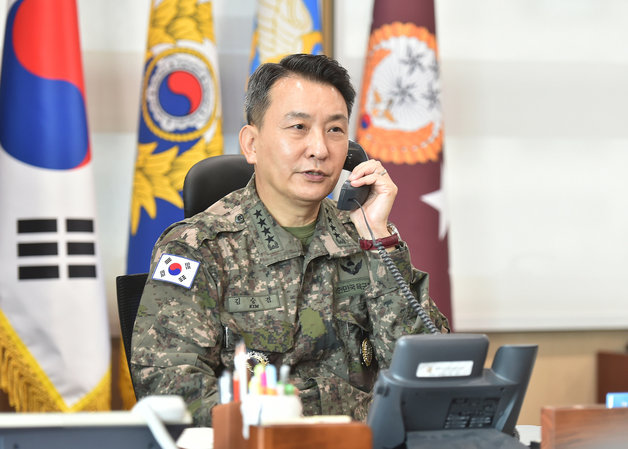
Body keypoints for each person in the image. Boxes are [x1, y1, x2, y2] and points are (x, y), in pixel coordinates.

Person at [130, 53, 449, 426]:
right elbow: (170, 389)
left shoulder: (364, 236)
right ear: (252, 144)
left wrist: (379, 239)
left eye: (335, 130)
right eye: (298, 127)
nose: (320, 149)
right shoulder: (197, 248)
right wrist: (293, 421)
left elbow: (430, 374)